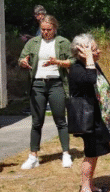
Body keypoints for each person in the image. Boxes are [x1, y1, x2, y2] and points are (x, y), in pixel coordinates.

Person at [18, 15, 74, 169]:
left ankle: (66, 154)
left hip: (56, 84)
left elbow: (73, 60)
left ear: (55, 28)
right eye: (43, 29)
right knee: (36, 122)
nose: (46, 32)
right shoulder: (33, 42)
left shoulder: (63, 42)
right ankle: (33, 156)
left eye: (49, 29)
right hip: (37, 84)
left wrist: (58, 62)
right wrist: (23, 62)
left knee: (60, 120)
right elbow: (21, 58)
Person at [69, 34, 110, 192]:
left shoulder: (91, 65)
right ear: (82, 52)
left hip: (97, 116)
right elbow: (91, 79)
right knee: (91, 152)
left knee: (95, 153)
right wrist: (89, 58)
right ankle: (85, 189)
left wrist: (90, 59)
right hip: (87, 118)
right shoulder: (77, 68)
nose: (98, 51)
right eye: (94, 49)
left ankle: (90, 184)